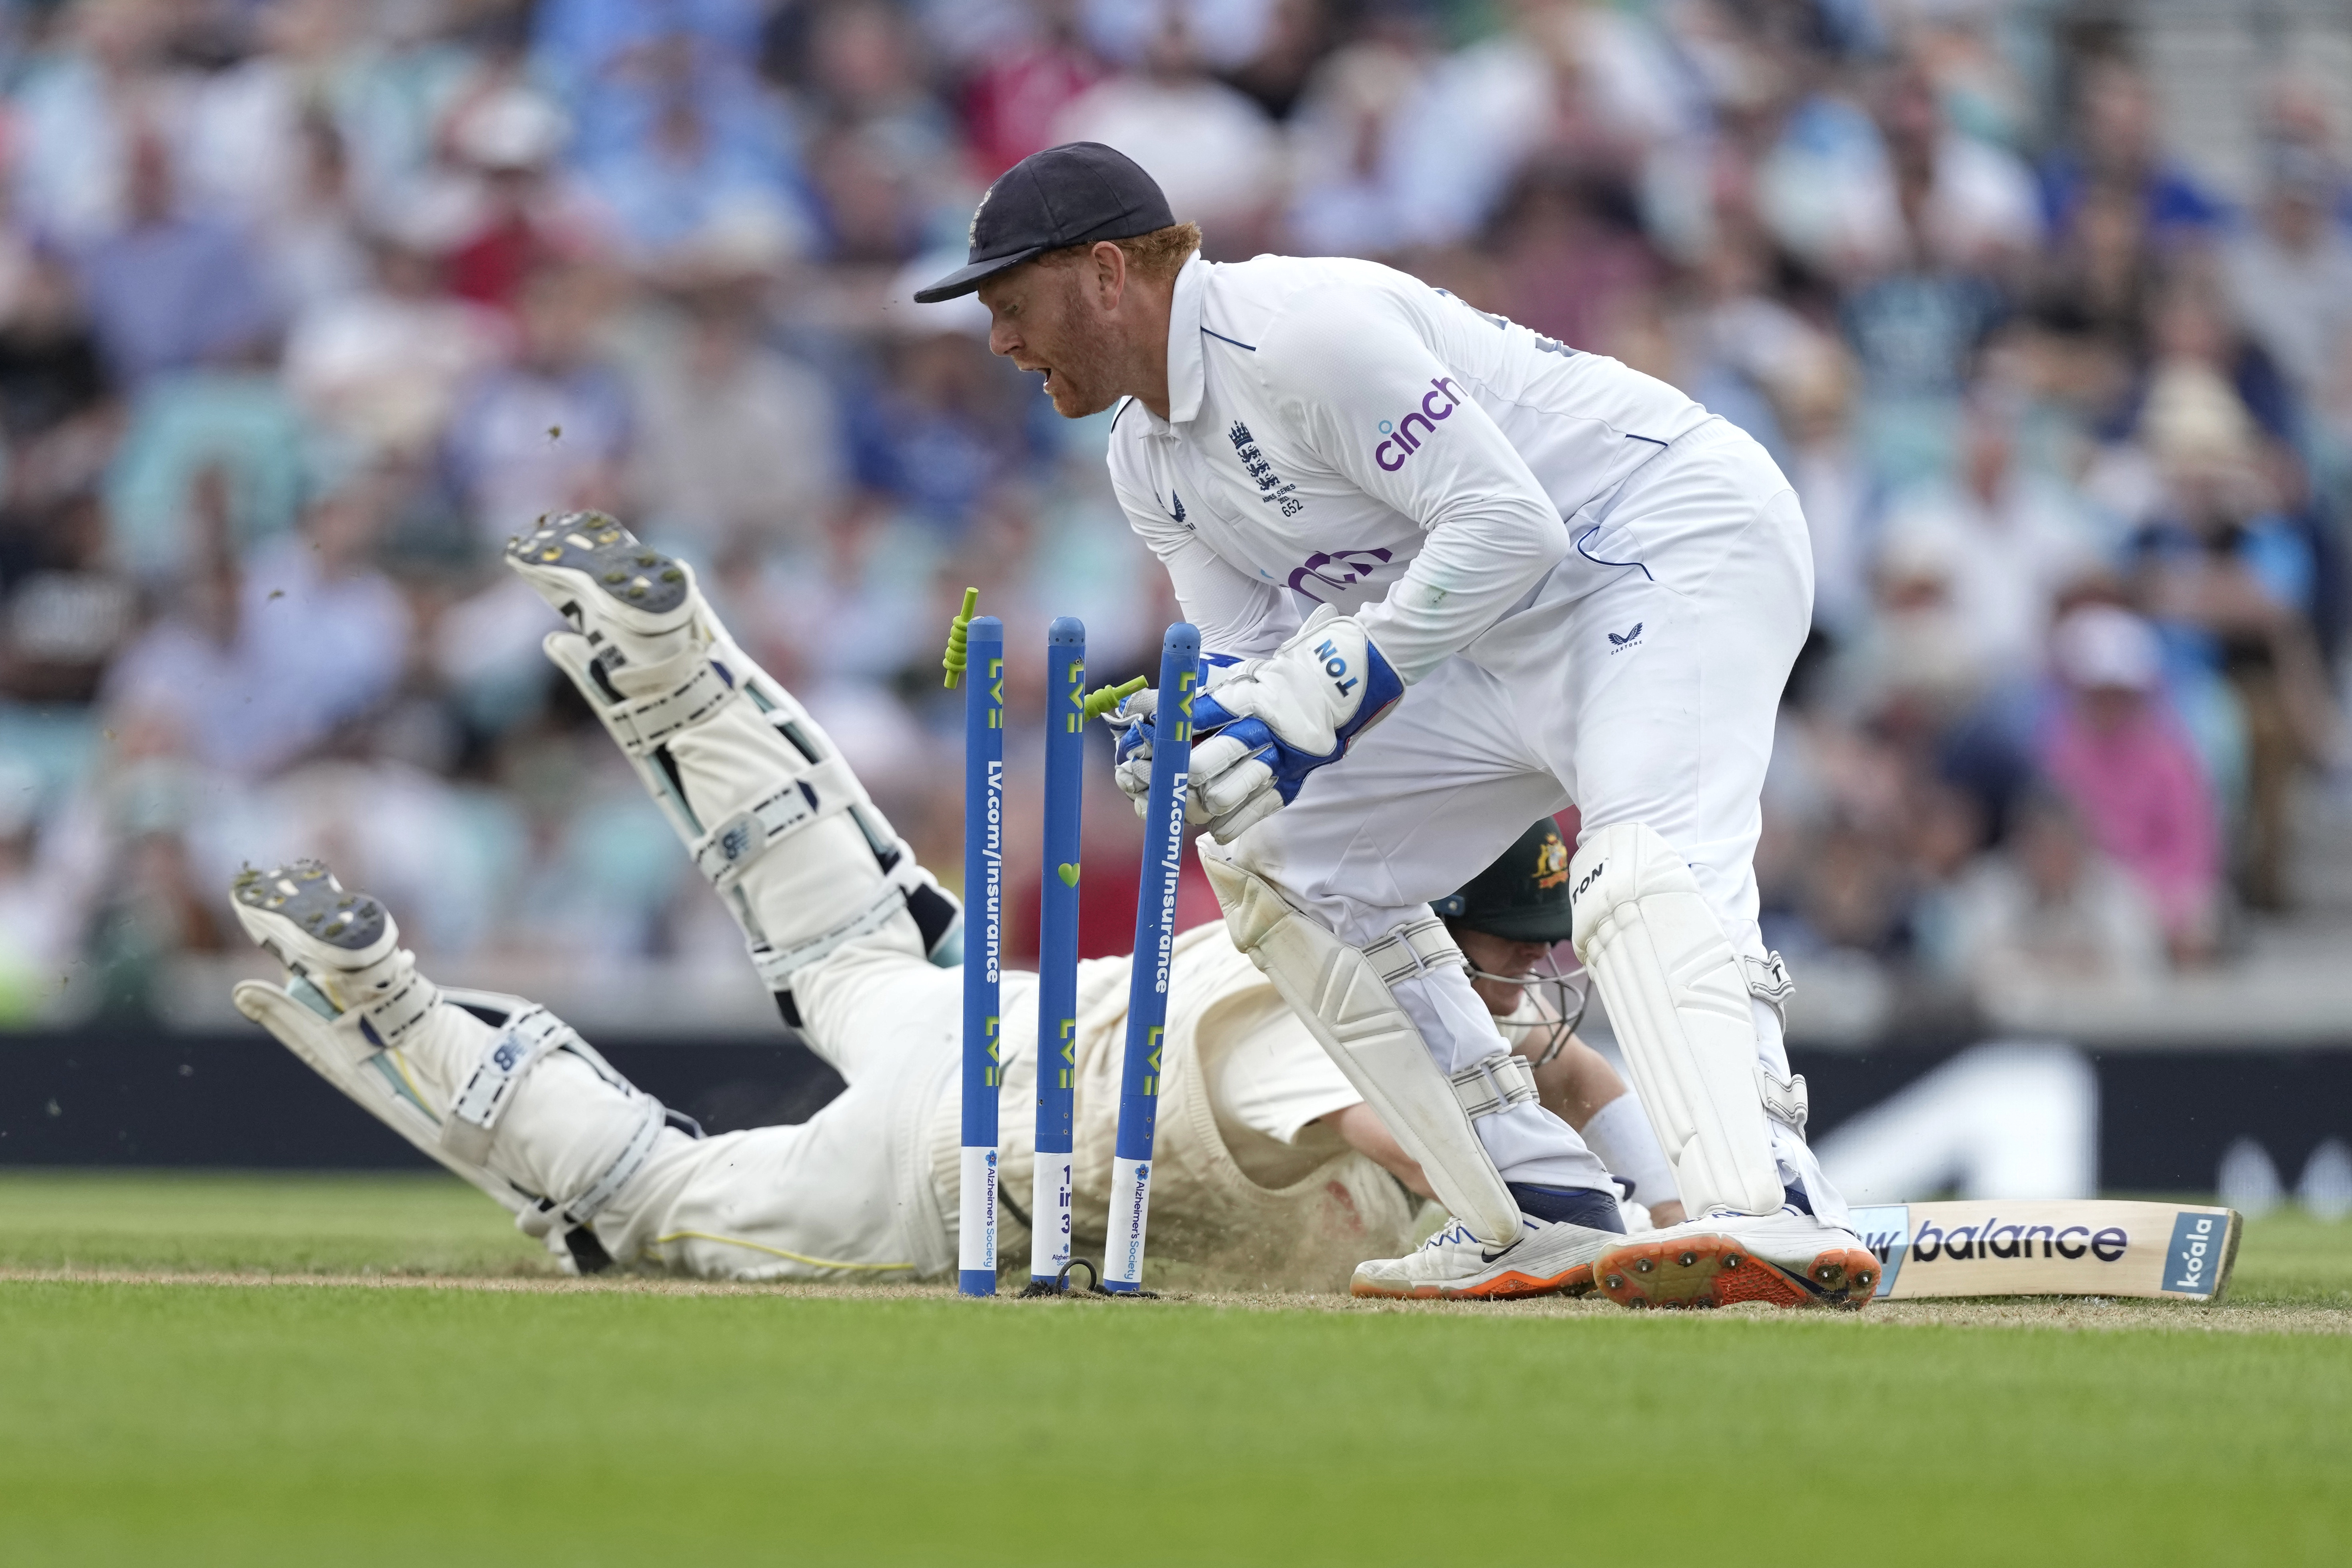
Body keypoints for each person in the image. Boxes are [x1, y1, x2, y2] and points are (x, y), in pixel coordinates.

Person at [225, 515, 1676, 1293]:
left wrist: (1698, 1206)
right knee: (660, 1204)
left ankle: (672, 665)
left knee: (853, 930)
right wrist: (1631, 1246)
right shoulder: (1354, 1032)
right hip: (954, 1174)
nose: (1517, 993)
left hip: (1000, 1022)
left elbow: (1564, 1070)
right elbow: (1426, 1136)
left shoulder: (1340, 936)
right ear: (1427, 931)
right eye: (1496, 957)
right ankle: (397, 1005)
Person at [916, 142, 1878, 1308]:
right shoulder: (1144, 457)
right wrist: (1204, 736)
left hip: (1656, 544)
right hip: (1486, 640)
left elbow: (1510, 528)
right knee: (1270, 851)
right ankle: (1531, 1203)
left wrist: (1307, 698)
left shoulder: (1299, 331)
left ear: (1108, 272)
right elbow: (1250, 656)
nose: (1000, 341)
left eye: (1013, 303)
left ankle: (1763, 1195)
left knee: (1636, 866)